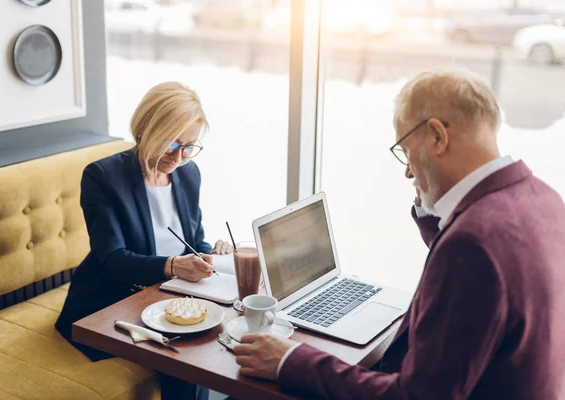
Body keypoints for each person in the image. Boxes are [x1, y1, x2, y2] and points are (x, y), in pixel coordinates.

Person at [233, 68, 565, 399]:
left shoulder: (471, 244)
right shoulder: (544, 200)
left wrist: (290, 360)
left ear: (437, 137)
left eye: (406, 151)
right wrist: (432, 203)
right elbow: (485, 279)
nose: (407, 171)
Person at [56, 82, 232, 400]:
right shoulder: (102, 177)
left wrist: (209, 255)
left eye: (190, 146)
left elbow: (193, 240)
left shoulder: (188, 174)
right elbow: (112, 259)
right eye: (171, 143)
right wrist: (172, 265)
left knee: (228, 328)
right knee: (189, 353)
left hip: (166, 297)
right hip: (111, 302)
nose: (179, 156)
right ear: (145, 129)